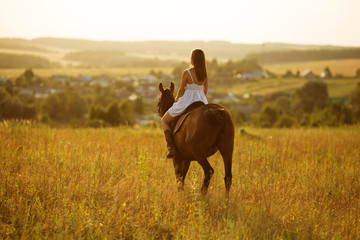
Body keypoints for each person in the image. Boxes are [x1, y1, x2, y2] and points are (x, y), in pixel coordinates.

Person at [161, 49, 209, 158]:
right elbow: (205, 91)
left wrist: (177, 99)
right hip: (201, 101)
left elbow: (181, 90)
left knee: (164, 120)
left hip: (187, 101)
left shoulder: (187, 73)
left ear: (192, 59)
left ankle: (171, 148)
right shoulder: (204, 74)